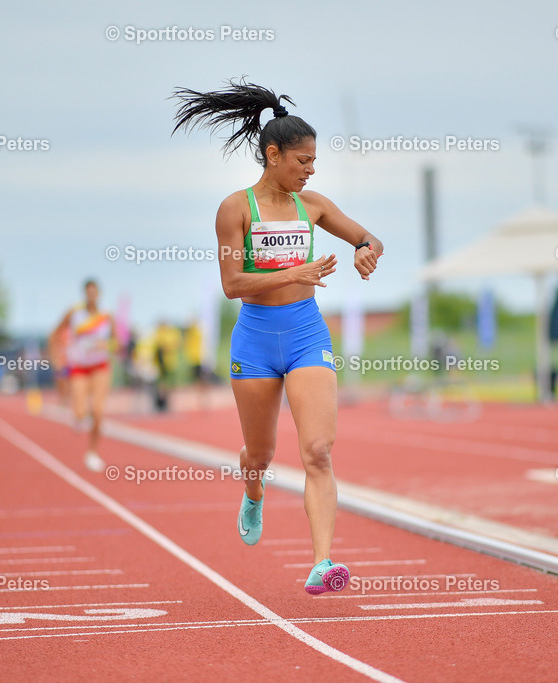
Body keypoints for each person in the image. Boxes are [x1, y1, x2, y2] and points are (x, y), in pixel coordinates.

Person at [173, 79, 383, 595]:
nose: (311, 170)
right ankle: (253, 491)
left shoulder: (313, 206)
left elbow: (368, 236)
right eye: (303, 162)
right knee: (260, 453)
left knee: (318, 451)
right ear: (273, 155)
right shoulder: (235, 209)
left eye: (314, 162)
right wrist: (294, 273)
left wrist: (364, 250)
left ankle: (322, 563)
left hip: (308, 333)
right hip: (256, 341)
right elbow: (231, 285)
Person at [53, 279, 115, 473]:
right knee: (80, 413)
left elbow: (119, 343)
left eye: (94, 292)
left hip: (100, 367)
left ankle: (92, 452)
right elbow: (55, 334)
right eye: (88, 292)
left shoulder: (106, 315)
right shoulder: (74, 313)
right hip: (79, 367)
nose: (91, 296)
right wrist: (57, 359)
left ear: (99, 294)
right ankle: (78, 416)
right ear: (84, 294)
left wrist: (107, 346)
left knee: (97, 412)